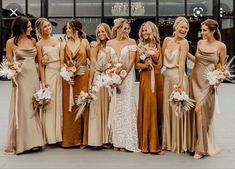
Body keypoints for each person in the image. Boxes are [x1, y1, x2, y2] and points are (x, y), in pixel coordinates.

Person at [4, 16, 44, 154]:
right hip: (20, 79)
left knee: (33, 107)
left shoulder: (33, 41)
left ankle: (35, 141)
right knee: (22, 109)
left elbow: (39, 62)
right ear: (21, 27)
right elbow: (9, 62)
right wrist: (12, 72)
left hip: (33, 78)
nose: (31, 28)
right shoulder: (10, 42)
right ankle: (22, 143)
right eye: (28, 26)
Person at [188, 19, 226, 159]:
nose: (202, 32)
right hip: (195, 79)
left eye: (204, 30)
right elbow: (197, 61)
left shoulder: (220, 46)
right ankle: (197, 144)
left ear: (212, 31)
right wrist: (184, 52)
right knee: (196, 112)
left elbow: (221, 66)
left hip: (208, 83)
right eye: (202, 30)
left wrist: (218, 80)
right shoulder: (200, 43)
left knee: (200, 111)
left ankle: (201, 149)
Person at [106, 18, 140, 152]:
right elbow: (108, 61)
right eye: (124, 28)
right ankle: (117, 141)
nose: (127, 31)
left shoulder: (131, 42)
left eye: (128, 29)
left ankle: (128, 141)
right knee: (116, 107)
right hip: (114, 78)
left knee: (127, 106)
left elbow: (131, 61)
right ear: (118, 29)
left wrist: (123, 76)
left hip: (127, 78)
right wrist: (111, 75)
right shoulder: (109, 42)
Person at [162, 17, 192, 153]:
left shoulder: (184, 43)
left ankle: (178, 142)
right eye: (182, 27)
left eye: (186, 28)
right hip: (167, 78)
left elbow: (181, 64)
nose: (184, 30)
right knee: (167, 109)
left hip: (177, 78)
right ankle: (167, 141)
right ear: (175, 27)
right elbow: (161, 57)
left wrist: (180, 81)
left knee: (177, 109)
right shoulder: (167, 40)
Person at [61, 19, 90, 148]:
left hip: (83, 76)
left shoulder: (85, 42)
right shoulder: (63, 44)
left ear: (76, 30)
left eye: (69, 28)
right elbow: (62, 63)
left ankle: (83, 139)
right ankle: (70, 139)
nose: (67, 30)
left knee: (83, 104)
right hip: (69, 79)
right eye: (66, 28)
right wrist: (66, 75)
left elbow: (92, 60)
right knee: (69, 107)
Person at [136, 21, 164, 154]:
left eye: (146, 30)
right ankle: (149, 144)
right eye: (143, 30)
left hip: (159, 80)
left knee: (158, 108)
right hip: (146, 79)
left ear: (153, 31)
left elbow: (161, 64)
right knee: (149, 108)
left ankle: (159, 140)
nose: (144, 33)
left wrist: (153, 57)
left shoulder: (159, 45)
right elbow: (136, 64)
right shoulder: (140, 46)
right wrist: (146, 62)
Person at [35, 17, 63, 145]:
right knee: (50, 104)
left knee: (60, 103)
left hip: (60, 73)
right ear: (40, 30)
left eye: (48, 25)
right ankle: (51, 136)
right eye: (45, 27)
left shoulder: (57, 39)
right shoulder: (39, 44)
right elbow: (41, 65)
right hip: (50, 73)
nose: (48, 28)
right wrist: (44, 82)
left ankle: (60, 135)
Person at [88, 23, 112, 147]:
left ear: (108, 31)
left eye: (103, 31)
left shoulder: (113, 45)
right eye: (99, 32)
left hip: (109, 80)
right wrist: (90, 83)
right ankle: (96, 138)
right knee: (97, 108)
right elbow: (92, 65)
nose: (101, 34)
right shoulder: (95, 46)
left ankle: (107, 138)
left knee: (108, 107)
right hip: (98, 79)